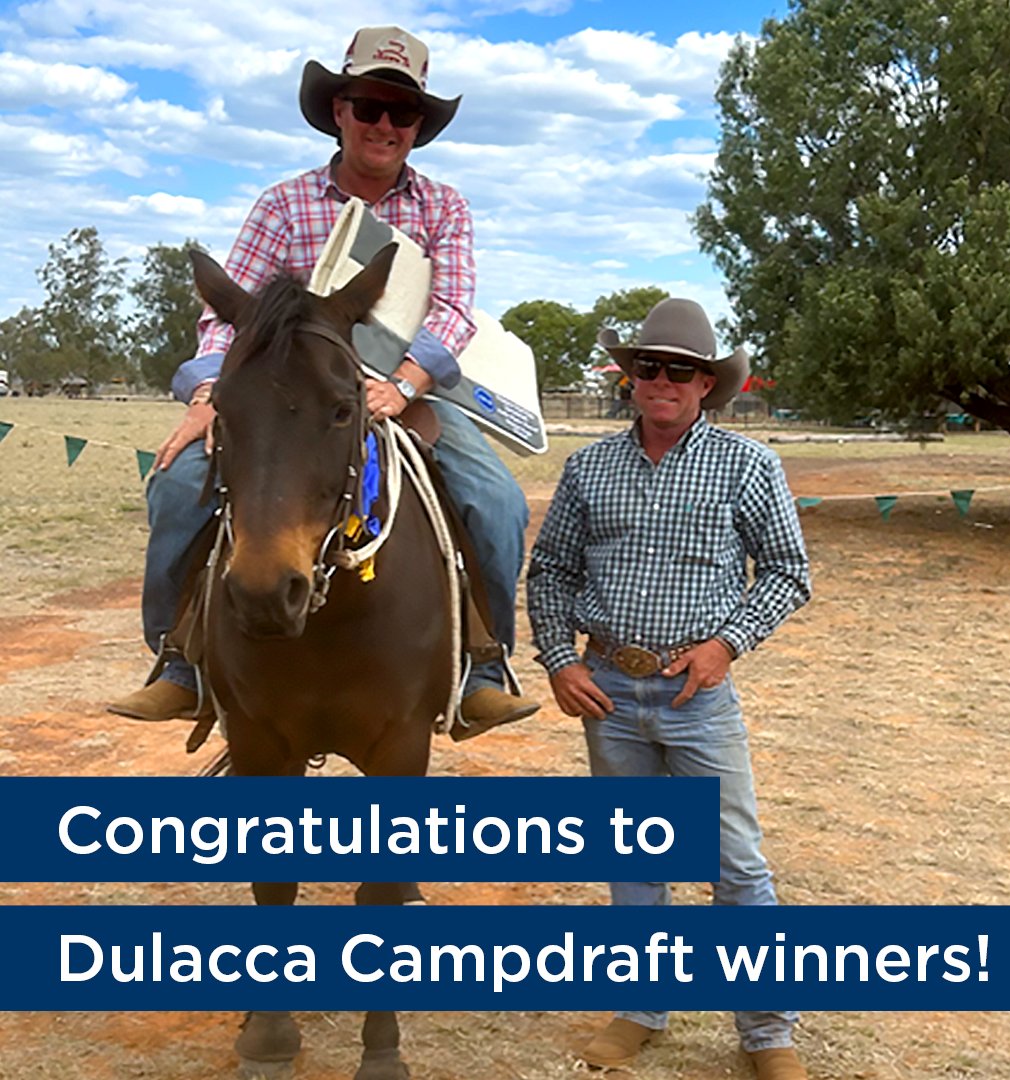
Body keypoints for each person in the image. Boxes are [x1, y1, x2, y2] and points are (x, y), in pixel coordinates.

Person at [109, 26, 537, 739]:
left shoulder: (443, 208)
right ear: (339, 109)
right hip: (287, 398)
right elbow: (229, 316)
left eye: (403, 114)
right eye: (370, 105)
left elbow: (455, 305)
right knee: (179, 485)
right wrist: (210, 396)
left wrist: (403, 383)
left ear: (419, 127)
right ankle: (178, 661)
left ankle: (483, 669)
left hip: (407, 388)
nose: (385, 125)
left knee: (497, 503)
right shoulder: (283, 204)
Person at [526, 298, 812, 1080]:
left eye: (679, 370)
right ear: (628, 377)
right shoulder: (588, 468)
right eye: (647, 366)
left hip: (697, 694)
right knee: (634, 860)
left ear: (707, 383)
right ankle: (640, 1010)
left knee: (736, 866)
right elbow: (551, 570)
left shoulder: (748, 466)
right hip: (609, 691)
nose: (661, 381)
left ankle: (766, 1033)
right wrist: (559, 660)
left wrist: (728, 644)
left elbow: (788, 572)